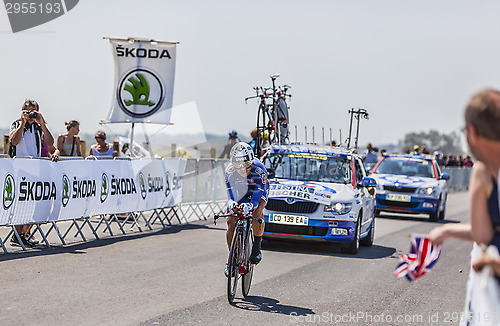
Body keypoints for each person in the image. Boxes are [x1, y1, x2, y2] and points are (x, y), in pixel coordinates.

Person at [429, 89, 500, 320]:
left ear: (472, 132)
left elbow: (484, 235)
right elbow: (486, 232)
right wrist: (447, 230)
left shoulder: (482, 171)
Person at [9, 99, 57, 247]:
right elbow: (14, 141)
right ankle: (17, 235)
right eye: (28, 110)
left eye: (33, 110)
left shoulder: (38, 127)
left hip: (35, 170)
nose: (30, 113)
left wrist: (42, 123)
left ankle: (22, 234)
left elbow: (49, 142)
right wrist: (23, 123)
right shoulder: (17, 124)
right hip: (20, 169)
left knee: (33, 204)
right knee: (20, 204)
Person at [224, 142, 269, 275]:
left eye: (247, 166)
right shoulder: (229, 171)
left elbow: (256, 197)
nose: (244, 170)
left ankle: (256, 248)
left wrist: (250, 205)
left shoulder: (259, 169)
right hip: (240, 191)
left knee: (257, 211)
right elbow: (231, 194)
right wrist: (232, 203)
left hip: (257, 191)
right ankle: (232, 258)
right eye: (240, 167)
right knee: (230, 221)